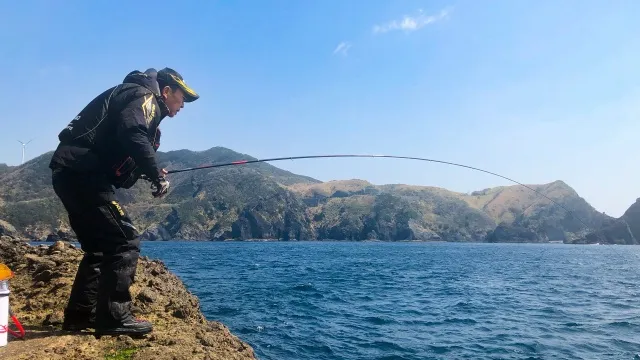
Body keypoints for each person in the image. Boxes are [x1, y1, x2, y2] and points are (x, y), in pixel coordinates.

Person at [48, 67, 199, 337]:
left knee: (98, 248)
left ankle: (79, 316)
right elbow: (133, 133)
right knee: (124, 240)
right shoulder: (144, 97)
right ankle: (114, 318)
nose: (182, 106)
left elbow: (122, 147)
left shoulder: (132, 97)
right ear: (166, 91)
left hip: (69, 172)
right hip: (83, 175)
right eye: (181, 98)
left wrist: (146, 171)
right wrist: (156, 175)